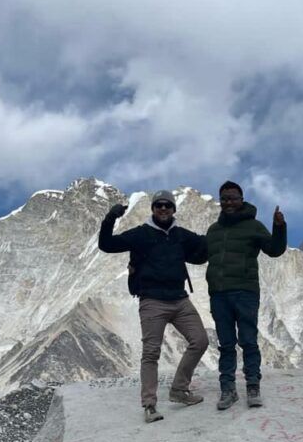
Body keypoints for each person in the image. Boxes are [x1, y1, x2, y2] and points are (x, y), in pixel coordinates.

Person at [98, 190, 209, 423]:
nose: (163, 209)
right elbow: (107, 244)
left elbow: (201, 251)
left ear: (173, 209)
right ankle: (149, 405)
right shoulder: (141, 234)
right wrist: (110, 218)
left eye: (167, 205)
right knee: (151, 353)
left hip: (180, 299)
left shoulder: (181, 235)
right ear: (152, 208)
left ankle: (179, 390)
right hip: (152, 301)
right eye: (158, 205)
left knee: (200, 340)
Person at [204, 181, 287, 410]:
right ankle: (228, 390)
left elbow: (275, 250)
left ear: (241, 200)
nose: (229, 202)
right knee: (226, 343)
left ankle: (253, 386)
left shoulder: (253, 226)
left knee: (248, 340)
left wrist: (279, 228)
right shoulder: (214, 230)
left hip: (245, 292)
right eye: (224, 198)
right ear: (220, 202)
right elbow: (200, 255)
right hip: (219, 294)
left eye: (233, 198)